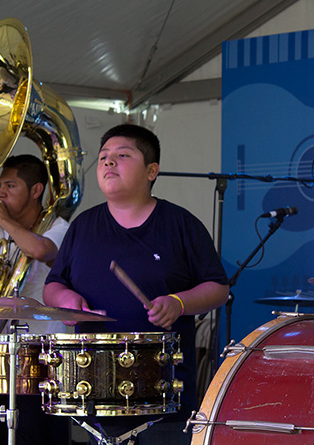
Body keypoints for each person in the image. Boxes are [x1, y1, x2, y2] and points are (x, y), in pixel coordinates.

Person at [43, 124, 230, 444]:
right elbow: (54, 284)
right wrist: (66, 300)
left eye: (122, 155)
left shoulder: (181, 224)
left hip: (164, 398)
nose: (108, 162)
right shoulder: (83, 226)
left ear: (151, 171)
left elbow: (218, 287)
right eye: (103, 157)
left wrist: (179, 303)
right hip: (96, 393)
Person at [0, 154, 71, 445]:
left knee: (36, 432)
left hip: (42, 348)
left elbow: (41, 250)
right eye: (0, 185)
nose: (1, 193)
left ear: (36, 191)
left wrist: (3, 221)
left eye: (11, 185)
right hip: (2, 345)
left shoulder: (57, 225)